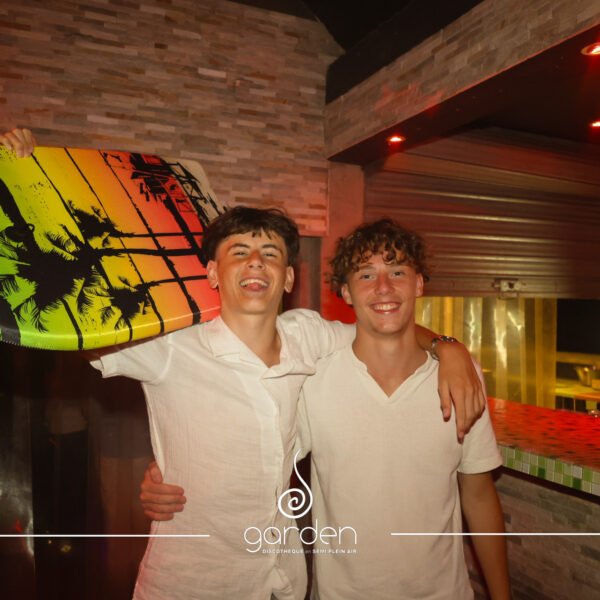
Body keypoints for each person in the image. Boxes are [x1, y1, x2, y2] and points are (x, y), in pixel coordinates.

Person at [2, 129, 487, 599]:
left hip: (282, 580)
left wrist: (448, 347)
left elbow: (386, 326)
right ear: (213, 273)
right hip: (191, 583)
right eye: (239, 252)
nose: (256, 261)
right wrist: (26, 183)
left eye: (270, 253)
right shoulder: (169, 343)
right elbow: (66, 321)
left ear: (288, 277)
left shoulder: (309, 334)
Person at [145, 219, 510, 599]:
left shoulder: (462, 379)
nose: (384, 287)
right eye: (366, 275)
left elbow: (479, 495)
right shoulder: (313, 376)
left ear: (419, 284)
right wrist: (172, 468)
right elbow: (255, 455)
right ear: (346, 292)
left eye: (397, 271)